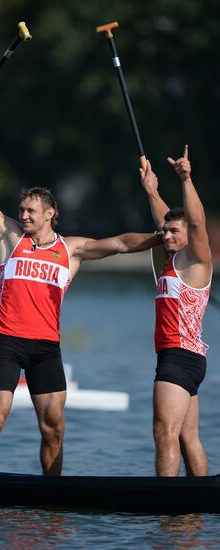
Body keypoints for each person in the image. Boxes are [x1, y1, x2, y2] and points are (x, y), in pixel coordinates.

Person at [0, 127, 162, 476]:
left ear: (49, 214)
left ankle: (51, 493)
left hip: (46, 347)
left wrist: (159, 237)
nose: (24, 215)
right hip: (9, 342)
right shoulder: (9, 235)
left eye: (31, 210)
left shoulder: (71, 250)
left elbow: (120, 243)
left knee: (54, 427)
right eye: (22, 209)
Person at [140, 145, 212, 477]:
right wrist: (152, 190)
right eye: (165, 232)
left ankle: (166, 505)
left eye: (173, 233)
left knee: (164, 432)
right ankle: (202, 501)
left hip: (178, 356)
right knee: (188, 438)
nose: (166, 235)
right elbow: (166, 218)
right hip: (187, 358)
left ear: (188, 238)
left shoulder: (194, 261)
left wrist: (186, 178)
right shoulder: (173, 257)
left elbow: (195, 222)